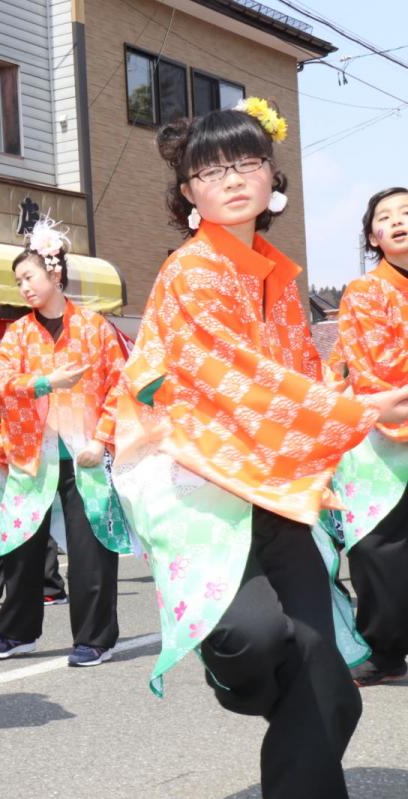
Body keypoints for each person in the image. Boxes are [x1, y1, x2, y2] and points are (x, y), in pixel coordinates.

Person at [110, 99, 408, 798]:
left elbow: (301, 375)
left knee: (328, 685)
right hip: (201, 489)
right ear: (188, 192)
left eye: (246, 162)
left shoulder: (278, 276)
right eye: (210, 169)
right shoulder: (190, 271)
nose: (232, 178)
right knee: (254, 639)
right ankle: (234, 670)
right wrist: (357, 407)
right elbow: (233, 380)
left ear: (271, 174)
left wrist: (321, 462)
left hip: (275, 491)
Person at [0, 218, 129, 668]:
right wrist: (46, 381)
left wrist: (102, 441)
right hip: (30, 455)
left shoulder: (96, 327)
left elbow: (120, 387)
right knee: (21, 546)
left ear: (55, 273)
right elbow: (0, 382)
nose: (24, 287)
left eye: (30, 277)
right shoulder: (19, 333)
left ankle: (95, 637)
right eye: (18, 281)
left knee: (90, 548)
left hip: (84, 454)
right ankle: (16, 632)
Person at [326, 186, 408, 687]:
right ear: (373, 236)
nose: (398, 221)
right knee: (383, 547)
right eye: (386, 216)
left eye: (407, 212)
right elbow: (377, 372)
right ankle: (384, 647)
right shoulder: (365, 293)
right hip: (383, 437)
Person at [0, 374, 67, 609]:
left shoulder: (23, 416)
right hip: (5, 490)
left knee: (40, 534)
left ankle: (51, 588)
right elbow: (2, 451)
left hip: (33, 485)